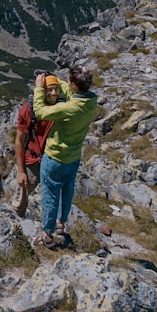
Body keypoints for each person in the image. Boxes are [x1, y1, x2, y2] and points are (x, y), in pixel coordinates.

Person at [31, 65, 97, 249]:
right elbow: (71, 92)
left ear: (74, 84)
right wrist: (53, 79)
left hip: (55, 158)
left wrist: (38, 88)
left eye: (68, 80)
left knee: (50, 194)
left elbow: (40, 112)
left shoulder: (68, 108)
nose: (66, 83)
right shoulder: (91, 102)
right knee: (67, 192)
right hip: (73, 158)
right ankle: (61, 223)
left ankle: (47, 234)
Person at [12, 75, 62, 218]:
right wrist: (21, 171)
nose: (53, 93)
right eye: (49, 90)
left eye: (56, 89)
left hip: (54, 160)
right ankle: (17, 218)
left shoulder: (63, 107)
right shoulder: (28, 110)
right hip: (33, 162)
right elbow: (19, 141)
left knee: (53, 198)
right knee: (22, 197)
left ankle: (49, 227)